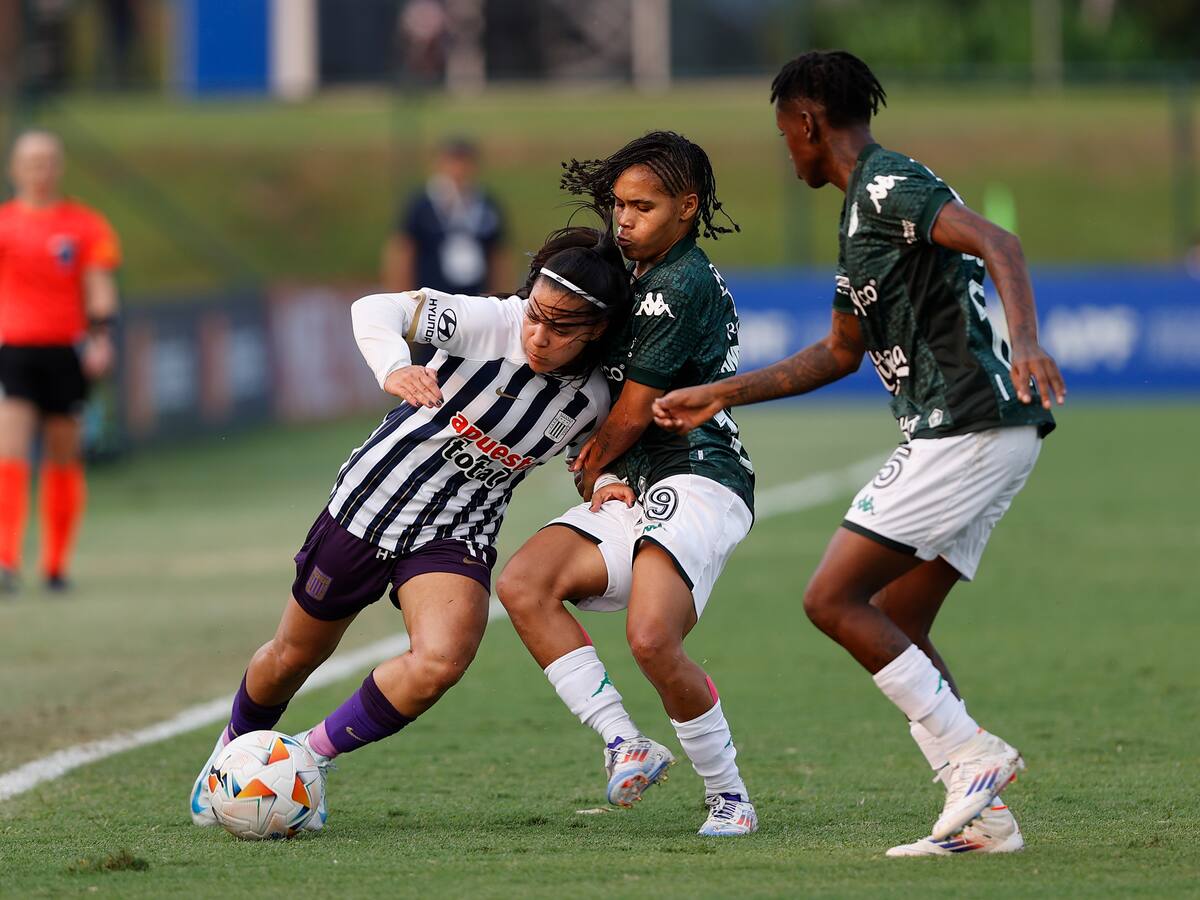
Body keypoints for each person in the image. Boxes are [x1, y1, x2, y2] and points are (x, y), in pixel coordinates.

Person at [652, 51, 1067, 856]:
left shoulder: (886, 185)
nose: (787, 149)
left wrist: (1026, 344)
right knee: (898, 618)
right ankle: (983, 819)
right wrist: (719, 393)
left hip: (965, 423)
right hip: (981, 430)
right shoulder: (861, 217)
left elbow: (1001, 242)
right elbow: (840, 352)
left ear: (808, 122)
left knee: (831, 599)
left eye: (786, 132)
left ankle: (974, 755)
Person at [189, 219, 633, 829]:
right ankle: (225, 757)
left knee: (441, 660)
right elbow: (375, 309)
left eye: (560, 328)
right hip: (370, 503)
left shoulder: (595, 398)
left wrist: (604, 483)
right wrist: (393, 366)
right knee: (293, 655)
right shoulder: (491, 322)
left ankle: (304, 759)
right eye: (536, 314)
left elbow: (588, 458)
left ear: (597, 329)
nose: (538, 334)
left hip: (458, 529)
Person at [496, 132, 759, 837]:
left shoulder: (680, 283)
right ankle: (624, 741)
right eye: (618, 204)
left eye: (643, 207)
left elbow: (634, 412)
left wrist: (591, 466)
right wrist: (605, 472)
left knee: (650, 638)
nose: (624, 219)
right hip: (635, 479)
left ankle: (730, 797)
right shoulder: (630, 272)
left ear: (687, 208)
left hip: (697, 472)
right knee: (524, 583)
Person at [0, 130, 121, 594]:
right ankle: (6, 561)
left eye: (48, 160)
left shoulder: (85, 225)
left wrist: (101, 337)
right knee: (10, 451)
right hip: (15, 351)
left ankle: (55, 566)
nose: (41, 169)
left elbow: (98, 284)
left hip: (65, 353)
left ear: (59, 166)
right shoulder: (6, 224)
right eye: (32, 161)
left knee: (62, 455)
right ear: (15, 168)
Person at [382, 138, 512, 365]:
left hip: (475, 304)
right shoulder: (422, 205)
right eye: (453, 161)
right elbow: (402, 253)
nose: (458, 169)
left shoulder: (486, 204)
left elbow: (499, 255)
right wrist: (401, 304)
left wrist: (501, 300)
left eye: (464, 162)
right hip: (430, 306)